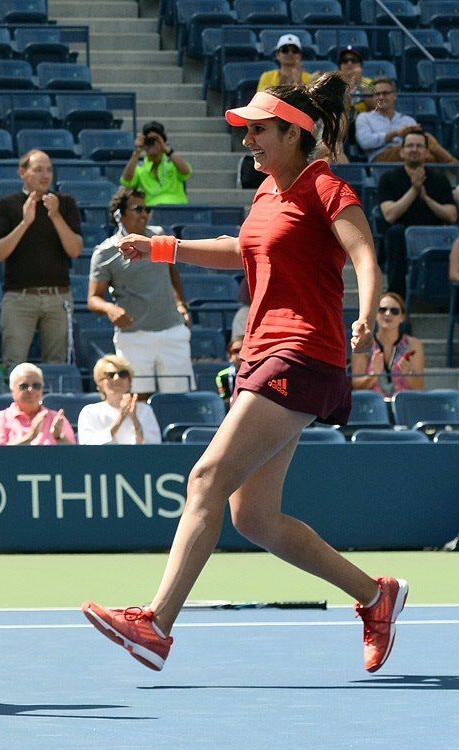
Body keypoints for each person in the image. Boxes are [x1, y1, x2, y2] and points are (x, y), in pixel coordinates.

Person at [81, 74, 407, 675]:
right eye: (246, 130)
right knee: (251, 516)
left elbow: (364, 256)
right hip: (262, 354)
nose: (248, 141)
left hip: (303, 352)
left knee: (206, 477)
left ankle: (155, 623)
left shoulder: (325, 186)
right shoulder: (267, 195)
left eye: (259, 130)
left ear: (293, 132)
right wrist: (161, 247)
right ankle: (375, 594)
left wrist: (364, 316)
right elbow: (243, 248)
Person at [87, 186, 193, 400]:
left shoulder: (159, 238)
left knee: (179, 399)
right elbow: (93, 299)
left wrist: (181, 304)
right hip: (133, 337)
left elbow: (172, 271)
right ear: (119, 214)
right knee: (136, 399)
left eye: (147, 209)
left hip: (172, 331)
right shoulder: (105, 252)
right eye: (138, 209)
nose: (144, 214)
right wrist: (110, 308)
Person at [0, 150, 83, 374]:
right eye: (38, 169)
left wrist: (55, 215)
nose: (45, 175)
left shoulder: (65, 203)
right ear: (22, 173)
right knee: (15, 366)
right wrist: (25, 222)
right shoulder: (7, 204)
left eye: (49, 170)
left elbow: (75, 250)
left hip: (57, 296)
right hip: (20, 298)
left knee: (58, 366)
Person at [376, 130, 457, 297]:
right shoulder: (388, 179)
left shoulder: (439, 179)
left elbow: (452, 216)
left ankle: (442, 297)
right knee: (395, 232)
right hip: (400, 238)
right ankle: (397, 297)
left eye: (419, 146)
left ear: (427, 153)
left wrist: (426, 198)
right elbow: (390, 215)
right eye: (410, 146)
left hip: (432, 236)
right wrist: (414, 190)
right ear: (402, 152)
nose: (414, 149)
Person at [355, 78, 458, 164]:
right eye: (377, 94)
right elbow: (365, 142)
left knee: (430, 158)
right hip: (380, 158)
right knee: (427, 139)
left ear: (394, 95)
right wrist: (396, 133)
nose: (381, 97)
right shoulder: (364, 117)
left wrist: (408, 135)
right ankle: (454, 166)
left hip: (409, 153)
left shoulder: (407, 120)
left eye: (385, 93)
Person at [0, 362, 76, 445]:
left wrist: (59, 437)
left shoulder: (56, 419)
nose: (31, 390)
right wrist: (30, 437)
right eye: (24, 386)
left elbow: (75, 457)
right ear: (12, 390)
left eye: (36, 386)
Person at [351, 292, 424, 396]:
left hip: (403, 405)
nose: (388, 314)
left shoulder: (414, 345)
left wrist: (408, 374)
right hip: (373, 405)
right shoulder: (363, 343)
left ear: (402, 317)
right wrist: (373, 375)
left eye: (394, 311)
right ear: (375, 313)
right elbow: (356, 385)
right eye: (382, 310)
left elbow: (419, 387)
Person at [77, 355, 161, 445]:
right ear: (100, 383)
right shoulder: (90, 412)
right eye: (110, 375)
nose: (117, 378)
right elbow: (88, 446)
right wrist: (120, 419)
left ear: (129, 382)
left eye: (123, 374)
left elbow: (154, 445)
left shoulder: (145, 410)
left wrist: (134, 419)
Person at [120, 121, 192, 206]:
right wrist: (137, 151)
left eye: (157, 140)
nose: (153, 144)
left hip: (176, 209)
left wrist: (165, 148)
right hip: (153, 212)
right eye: (150, 141)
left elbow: (186, 171)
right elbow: (126, 180)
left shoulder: (173, 164)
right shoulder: (140, 170)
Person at [215, 334, 244, 408]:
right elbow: (225, 399)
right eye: (236, 351)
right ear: (230, 356)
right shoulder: (222, 376)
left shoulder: (259, 374)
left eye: (244, 350)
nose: (241, 354)